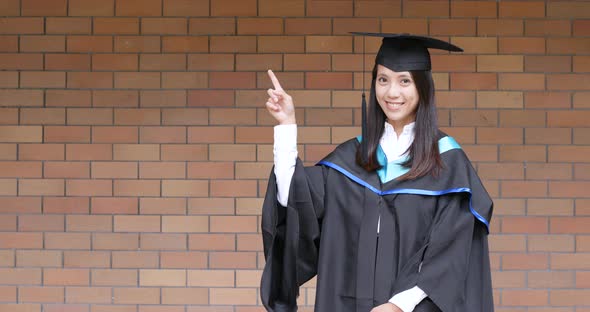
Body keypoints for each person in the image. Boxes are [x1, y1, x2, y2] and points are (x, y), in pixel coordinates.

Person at [260, 33, 494, 312]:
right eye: (383, 79)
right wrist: (287, 125)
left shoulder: (448, 165)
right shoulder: (351, 160)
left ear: (423, 88)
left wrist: (398, 305)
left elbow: (452, 254)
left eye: (404, 81)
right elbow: (295, 201)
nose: (392, 93)